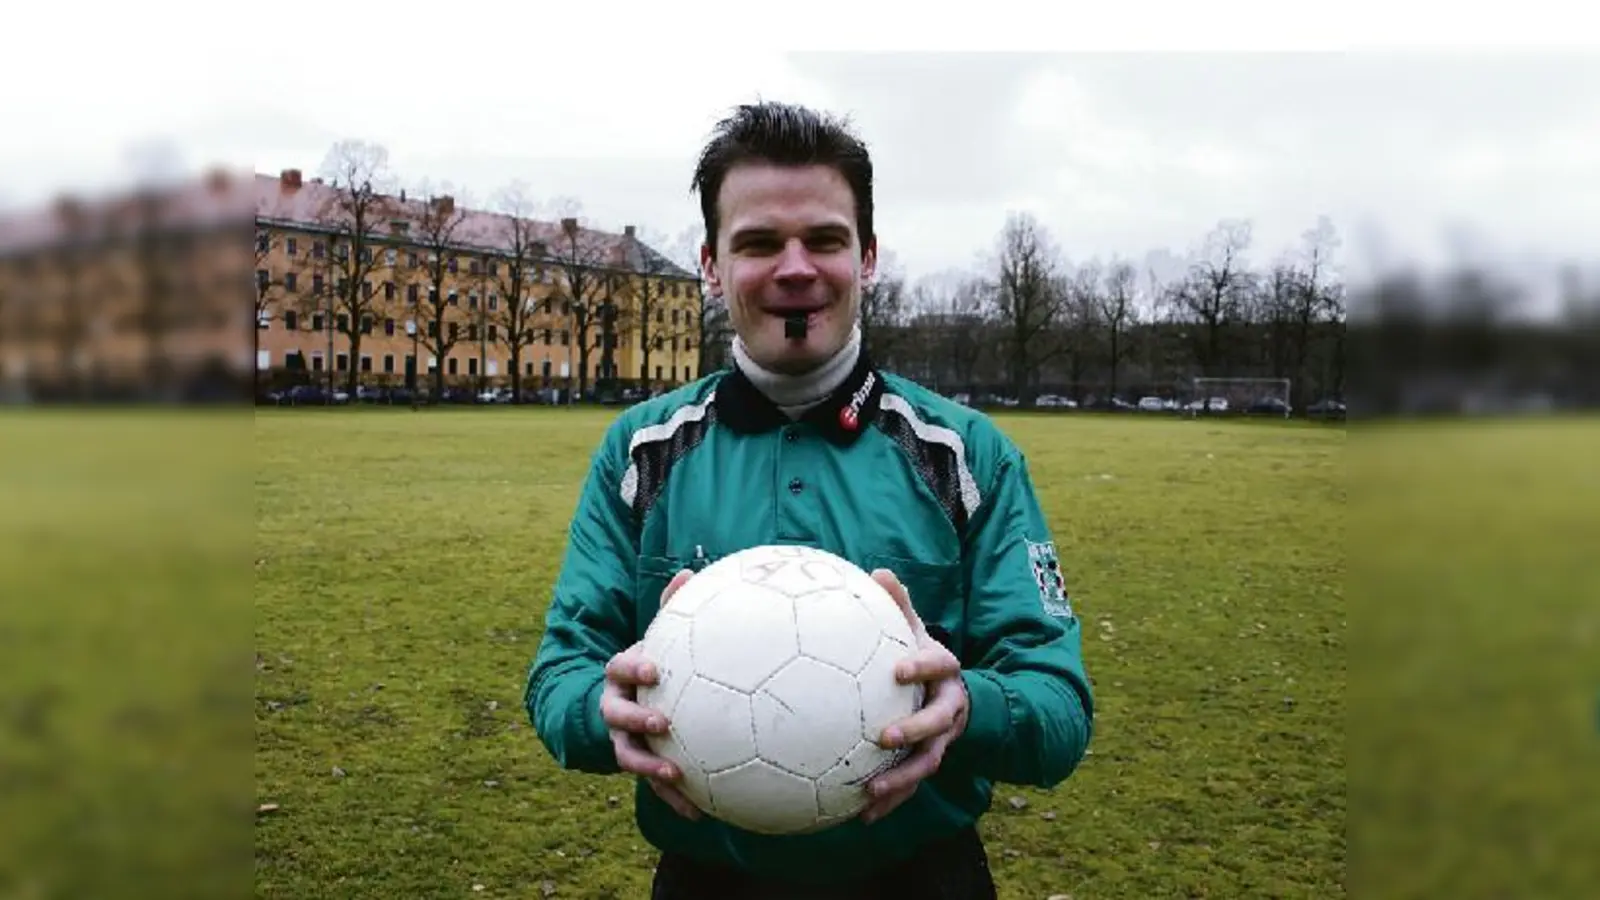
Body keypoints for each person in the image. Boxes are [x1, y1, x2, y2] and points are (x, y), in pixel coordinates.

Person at [524, 101, 1094, 899]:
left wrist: (968, 704)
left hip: (922, 877)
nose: (795, 268)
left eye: (824, 239)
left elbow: (1059, 710)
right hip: (706, 879)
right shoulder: (640, 451)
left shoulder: (969, 456)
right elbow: (557, 676)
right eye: (758, 243)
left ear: (866, 258)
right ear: (711, 266)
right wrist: (601, 709)